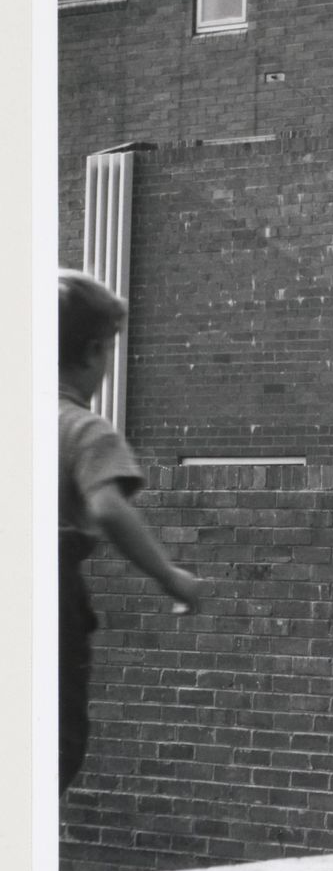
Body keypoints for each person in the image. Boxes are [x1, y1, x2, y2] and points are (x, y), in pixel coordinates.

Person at [58, 270, 208, 795]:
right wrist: (170, 576)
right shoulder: (82, 429)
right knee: (56, 738)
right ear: (94, 351)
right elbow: (108, 508)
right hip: (49, 592)